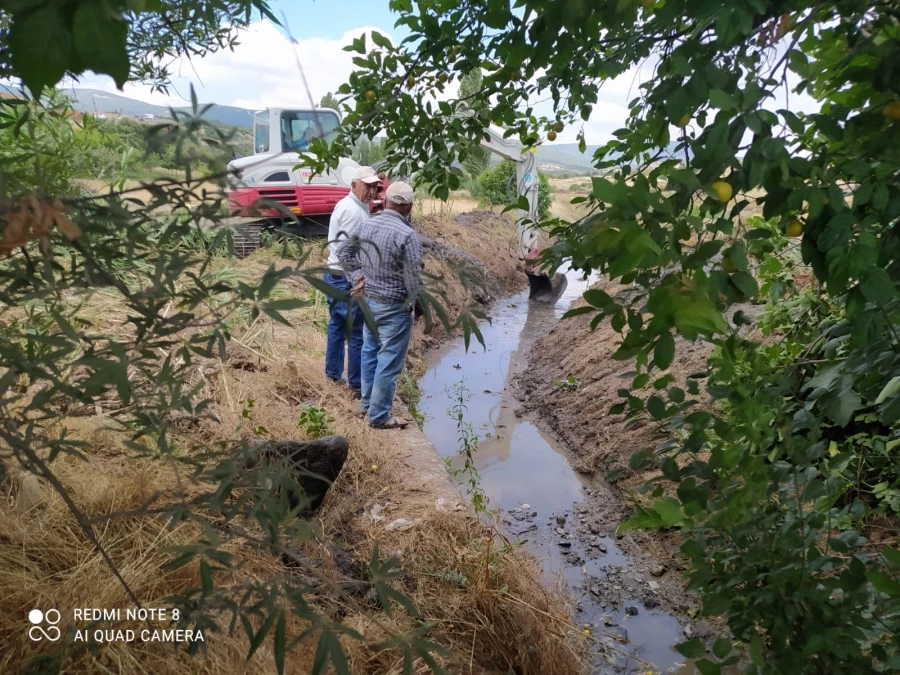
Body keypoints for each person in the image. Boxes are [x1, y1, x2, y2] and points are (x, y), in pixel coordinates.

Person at [337, 182, 423, 430]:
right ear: (409, 207)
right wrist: (417, 308)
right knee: (389, 361)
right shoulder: (407, 235)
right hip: (394, 307)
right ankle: (379, 415)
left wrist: (357, 277)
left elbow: (344, 253)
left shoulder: (367, 223)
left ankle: (367, 405)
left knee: (370, 352)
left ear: (385, 202)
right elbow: (413, 280)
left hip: (369, 301)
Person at [323, 165, 381, 396]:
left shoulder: (351, 205)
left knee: (337, 326)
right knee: (356, 332)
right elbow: (347, 253)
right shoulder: (354, 212)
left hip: (333, 274)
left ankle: (333, 373)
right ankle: (356, 384)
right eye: (367, 186)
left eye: (375, 186)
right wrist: (358, 280)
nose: (372, 191)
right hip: (344, 279)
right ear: (354, 185)